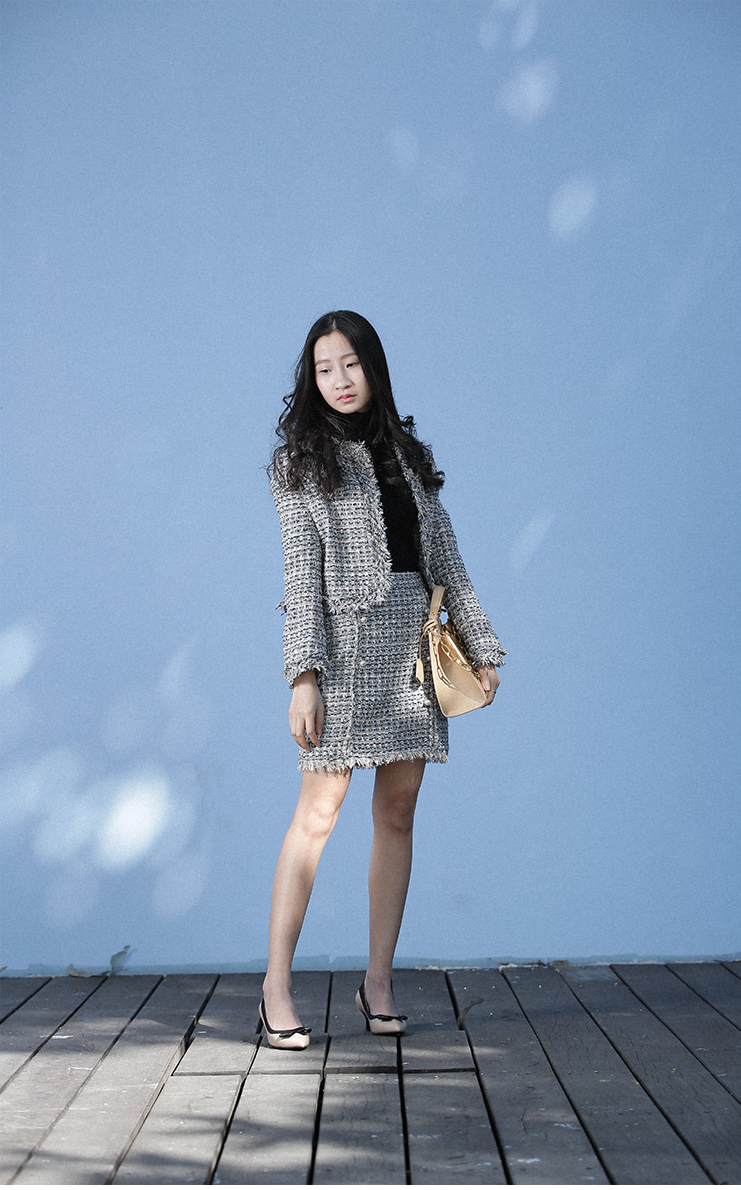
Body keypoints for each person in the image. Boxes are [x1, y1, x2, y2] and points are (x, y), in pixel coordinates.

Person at [262, 311, 505, 1050]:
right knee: (317, 816)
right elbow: (302, 578)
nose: (338, 380)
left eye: (350, 364)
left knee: (397, 813)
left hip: (412, 656)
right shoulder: (299, 463)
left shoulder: (408, 453)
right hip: (344, 652)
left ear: (373, 367)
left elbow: (447, 563)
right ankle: (276, 986)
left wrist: (481, 645)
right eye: (324, 368)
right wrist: (304, 676)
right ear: (311, 378)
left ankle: (379, 982)